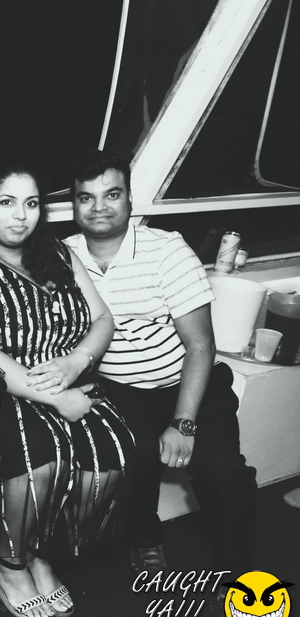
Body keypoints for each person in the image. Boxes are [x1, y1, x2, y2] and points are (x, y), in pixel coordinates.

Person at [63, 149, 257, 582]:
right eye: (86, 197)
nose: (99, 207)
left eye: (112, 194)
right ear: (74, 204)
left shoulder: (166, 249)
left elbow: (201, 345)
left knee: (222, 470)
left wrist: (183, 423)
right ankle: (144, 537)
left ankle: (235, 570)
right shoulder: (63, 257)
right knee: (135, 455)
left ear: (130, 199)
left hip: (188, 381)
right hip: (121, 389)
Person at [0, 160, 134, 617]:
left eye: (31, 203)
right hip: (8, 388)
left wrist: (77, 361)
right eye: (7, 202)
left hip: (73, 378)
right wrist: (56, 398)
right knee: (44, 459)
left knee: (112, 454)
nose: (20, 215)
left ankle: (41, 552)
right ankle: (8, 562)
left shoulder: (59, 253)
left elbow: (103, 319)